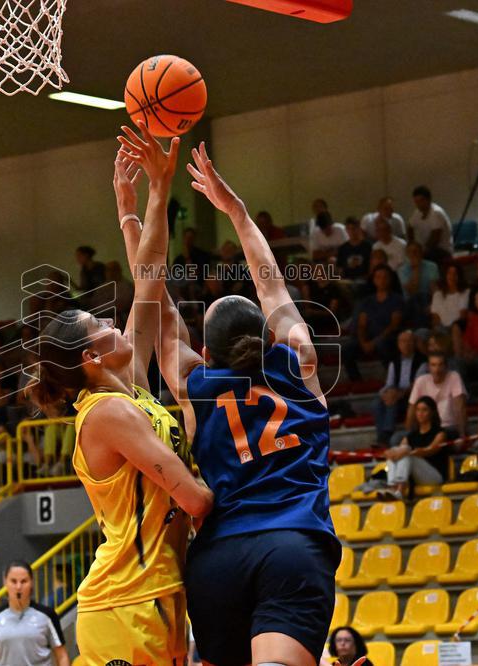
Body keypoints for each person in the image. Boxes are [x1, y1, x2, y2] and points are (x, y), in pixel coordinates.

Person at [30, 128, 213, 666]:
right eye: (102, 325)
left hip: (156, 592)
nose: (115, 323)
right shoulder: (106, 413)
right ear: (91, 357)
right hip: (125, 601)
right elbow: (195, 499)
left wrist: (145, 200)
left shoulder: (127, 386)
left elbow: (149, 280)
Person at [159, 140, 339, 666]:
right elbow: (273, 287)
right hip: (292, 544)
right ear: (268, 335)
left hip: (218, 558)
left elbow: (160, 315)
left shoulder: (194, 386)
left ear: (207, 352)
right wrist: (236, 211)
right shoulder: (298, 359)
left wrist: (141, 213)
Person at [0, 561, 70, 666]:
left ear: (31, 583)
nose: (18, 587)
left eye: (24, 581)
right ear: (5, 582)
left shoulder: (48, 615)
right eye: (13, 581)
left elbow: (62, 656)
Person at [378, 396, 449, 500]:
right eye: (418, 410)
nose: (420, 413)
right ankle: (392, 487)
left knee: (406, 453)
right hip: (416, 476)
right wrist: (391, 453)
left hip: (435, 475)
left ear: (432, 412)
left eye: (424, 410)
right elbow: (400, 451)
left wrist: (407, 452)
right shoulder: (411, 435)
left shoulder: (440, 433)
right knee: (397, 452)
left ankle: (400, 490)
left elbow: (430, 450)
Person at [343, 265, 405, 381]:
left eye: (385, 277)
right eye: (378, 277)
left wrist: (374, 342)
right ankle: (357, 382)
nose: (382, 280)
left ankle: (393, 379)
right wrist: (364, 343)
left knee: (383, 345)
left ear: (390, 279)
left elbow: (394, 325)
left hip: (388, 338)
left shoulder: (397, 299)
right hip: (369, 337)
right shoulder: (367, 301)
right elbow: (362, 325)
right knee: (347, 349)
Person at [372, 330, 427, 446]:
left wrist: (398, 394)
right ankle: (381, 436)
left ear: (414, 343)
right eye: (403, 341)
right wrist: (384, 394)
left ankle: (387, 434)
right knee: (377, 403)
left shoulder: (422, 361)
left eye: (409, 341)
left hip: (413, 398)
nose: (406, 344)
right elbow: (389, 383)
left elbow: (418, 384)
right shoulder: (394, 361)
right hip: (397, 395)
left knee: (392, 401)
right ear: (398, 344)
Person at [408, 185, 453, 263]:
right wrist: (411, 244)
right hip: (426, 249)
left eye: (421, 201)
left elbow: (435, 239)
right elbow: (410, 227)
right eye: (416, 202)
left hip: (442, 250)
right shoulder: (417, 212)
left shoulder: (436, 213)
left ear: (428, 200)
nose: (419, 204)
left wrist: (421, 251)